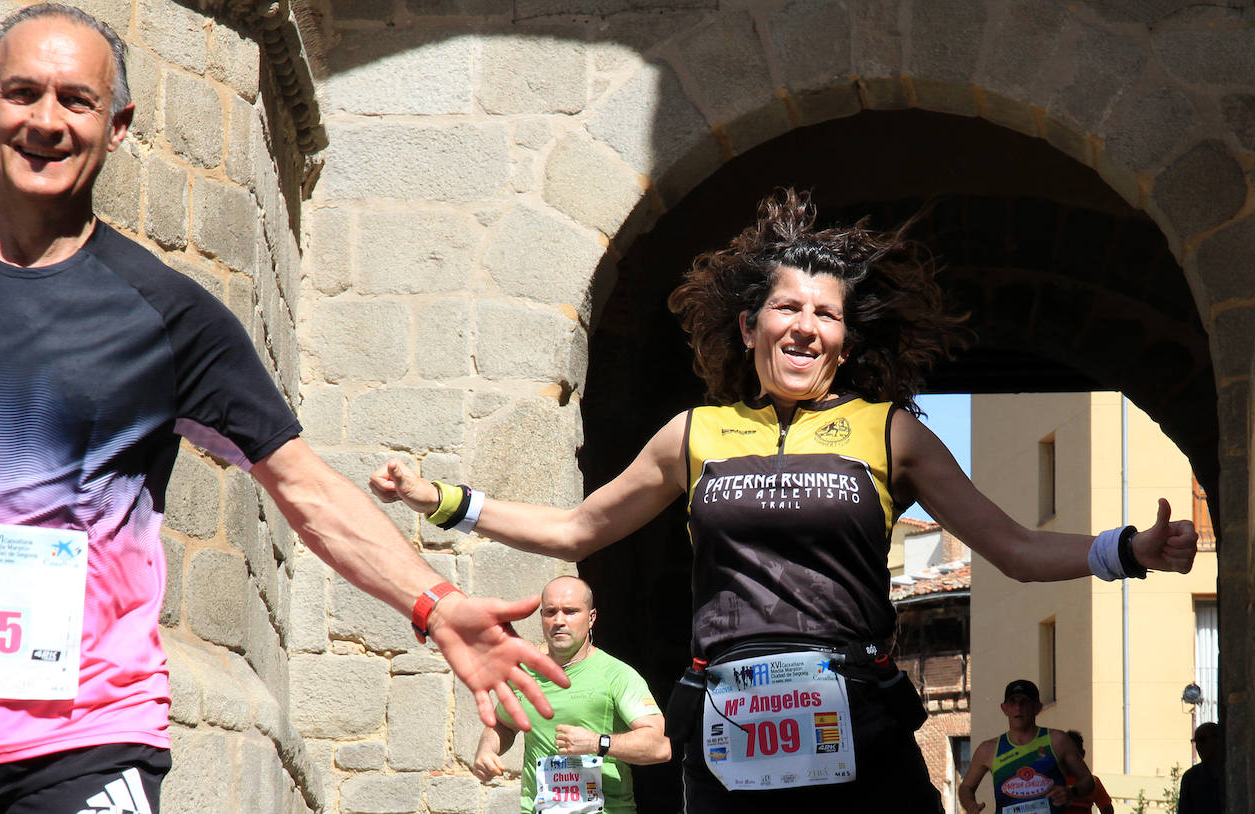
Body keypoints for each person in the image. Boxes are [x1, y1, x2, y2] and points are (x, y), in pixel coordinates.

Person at [371, 189, 1198, 812]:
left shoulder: (890, 432)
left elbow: (1011, 546)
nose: (805, 325)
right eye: (787, 306)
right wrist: (445, 498)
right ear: (748, 327)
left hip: (859, 715)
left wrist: (1125, 549)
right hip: (729, 720)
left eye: (825, 314)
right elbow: (577, 528)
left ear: (845, 337)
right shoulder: (694, 434)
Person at [0, 5, 565, 812]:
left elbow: (306, 490)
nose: (45, 121)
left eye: (76, 100)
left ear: (119, 126)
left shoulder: (169, 317)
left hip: (82, 740)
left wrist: (436, 602)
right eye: (22, 94)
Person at [471, 576, 671, 813]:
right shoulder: (524, 674)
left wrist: (597, 742)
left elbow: (660, 746)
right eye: (550, 612)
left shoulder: (616, 675)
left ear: (591, 618)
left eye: (570, 611)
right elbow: (502, 725)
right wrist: (486, 750)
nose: (559, 621)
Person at [958, 680, 1094, 814]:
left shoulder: (1057, 740)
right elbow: (966, 787)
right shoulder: (988, 750)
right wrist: (971, 806)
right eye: (1013, 702)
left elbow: (1088, 780)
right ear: (1004, 709)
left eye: (1024, 702)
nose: (1018, 708)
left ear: (1037, 708)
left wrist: (1071, 792)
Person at [1063, 730, 1114, 814]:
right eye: (1066, 754)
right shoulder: (1049, 780)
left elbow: (1108, 809)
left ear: (1082, 754)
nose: (1070, 759)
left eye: (1073, 754)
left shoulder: (1094, 782)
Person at [1177, 722, 1223, 814]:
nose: (1198, 746)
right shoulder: (1190, 778)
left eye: (1202, 740)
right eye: (1195, 742)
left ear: (1217, 740)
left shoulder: (1231, 774)